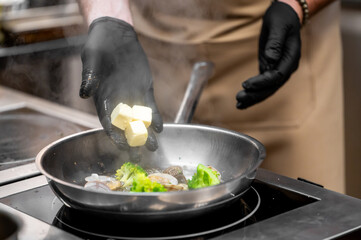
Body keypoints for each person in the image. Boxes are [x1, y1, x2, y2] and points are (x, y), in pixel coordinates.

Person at [77, 0, 344, 193]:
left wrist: (298, 4)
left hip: (273, 49)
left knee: (302, 216)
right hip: (153, 55)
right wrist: (110, 15)